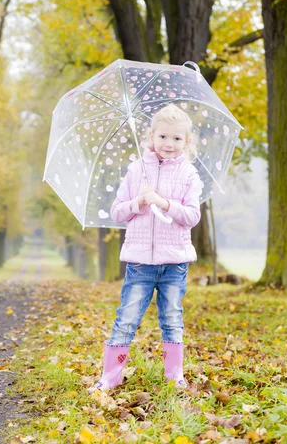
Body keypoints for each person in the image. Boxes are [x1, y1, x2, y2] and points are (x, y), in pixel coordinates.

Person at [90, 103, 202, 392]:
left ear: (187, 142)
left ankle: (174, 377)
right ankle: (110, 377)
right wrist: (138, 202)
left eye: (177, 138)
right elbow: (117, 212)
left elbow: (192, 216)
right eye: (163, 136)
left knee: (171, 318)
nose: (169, 143)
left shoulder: (189, 174)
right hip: (140, 263)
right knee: (126, 318)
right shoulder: (136, 170)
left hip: (174, 262)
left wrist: (165, 203)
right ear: (151, 136)